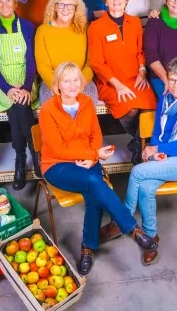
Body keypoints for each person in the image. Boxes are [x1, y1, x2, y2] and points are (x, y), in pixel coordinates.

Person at [39, 62, 158, 274]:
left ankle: (88, 248)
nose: (73, 85)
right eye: (67, 81)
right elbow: (57, 149)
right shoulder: (48, 109)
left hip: (88, 161)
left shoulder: (86, 102)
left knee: (93, 191)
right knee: (95, 182)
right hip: (57, 166)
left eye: (76, 80)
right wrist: (92, 155)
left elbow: (96, 135)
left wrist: (92, 158)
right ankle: (133, 229)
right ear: (57, 85)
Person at [121, 57, 177, 265]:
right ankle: (151, 238)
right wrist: (156, 152)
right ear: (167, 79)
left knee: (137, 172)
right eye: (172, 80)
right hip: (170, 155)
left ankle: (122, 219)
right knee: (144, 186)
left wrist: (159, 148)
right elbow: (158, 132)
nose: (176, 85)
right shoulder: (165, 96)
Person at [88, 0, 157, 165]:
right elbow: (96, 62)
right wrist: (117, 85)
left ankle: (137, 144)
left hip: (136, 78)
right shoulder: (97, 27)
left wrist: (142, 71)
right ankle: (140, 145)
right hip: (110, 81)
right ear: (106, 1)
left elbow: (140, 51)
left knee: (151, 106)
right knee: (131, 108)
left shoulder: (134, 22)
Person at [0, 0, 39, 191]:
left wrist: (25, 87)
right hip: (2, 81)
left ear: (15, 3)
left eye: (9, 0)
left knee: (21, 104)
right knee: (18, 105)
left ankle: (21, 159)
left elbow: (31, 60)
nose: (5, 4)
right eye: (0, 1)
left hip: (25, 77)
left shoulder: (27, 26)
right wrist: (8, 88)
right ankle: (34, 152)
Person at [35, 0, 98, 105]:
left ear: (76, 9)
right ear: (54, 7)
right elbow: (43, 66)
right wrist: (58, 85)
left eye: (70, 5)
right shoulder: (42, 31)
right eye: (61, 5)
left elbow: (90, 62)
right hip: (53, 81)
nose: (65, 9)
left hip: (80, 80)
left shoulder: (84, 28)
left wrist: (81, 83)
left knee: (88, 99)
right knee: (51, 103)